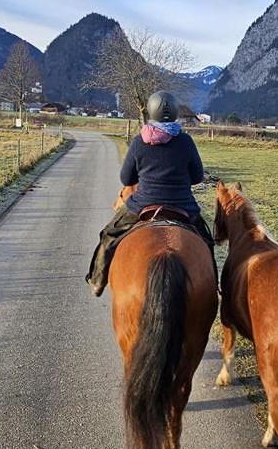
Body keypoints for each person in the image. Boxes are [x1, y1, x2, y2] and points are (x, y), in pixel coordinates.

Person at [86, 90, 215, 296]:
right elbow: (197, 177)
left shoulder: (139, 141)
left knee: (109, 234)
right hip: (183, 206)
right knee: (206, 241)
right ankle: (213, 287)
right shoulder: (186, 142)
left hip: (143, 205)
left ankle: (98, 280)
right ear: (174, 113)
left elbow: (126, 179)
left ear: (151, 112)